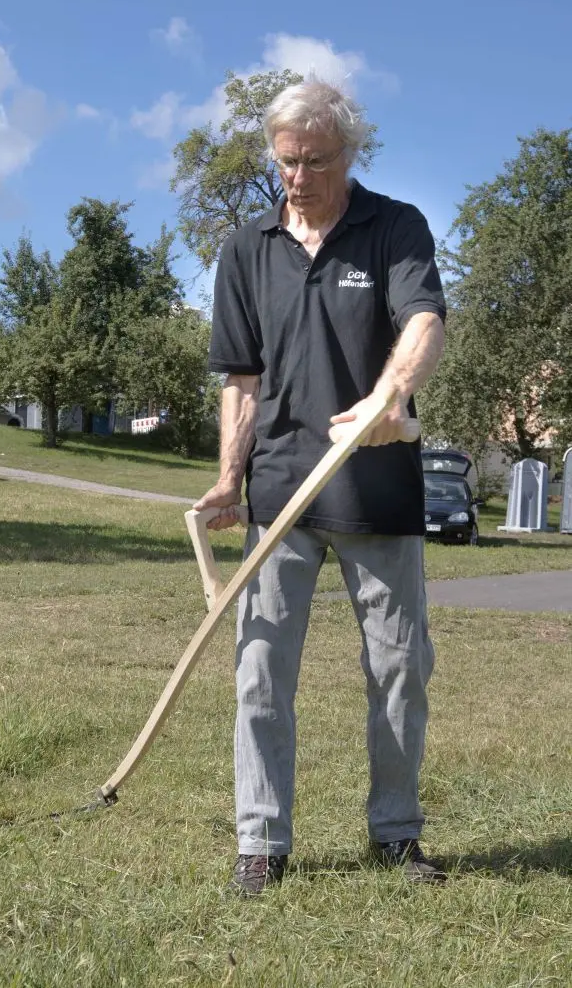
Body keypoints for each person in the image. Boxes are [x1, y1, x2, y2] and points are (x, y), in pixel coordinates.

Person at [193, 79, 449, 896]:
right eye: (286, 161)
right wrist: (231, 474)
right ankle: (261, 840)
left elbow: (424, 323)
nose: (297, 177)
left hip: (376, 487)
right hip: (277, 493)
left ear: (349, 152)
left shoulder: (394, 228)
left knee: (401, 668)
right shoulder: (246, 248)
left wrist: (390, 394)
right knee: (261, 669)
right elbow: (241, 377)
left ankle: (397, 833)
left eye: (314, 160)